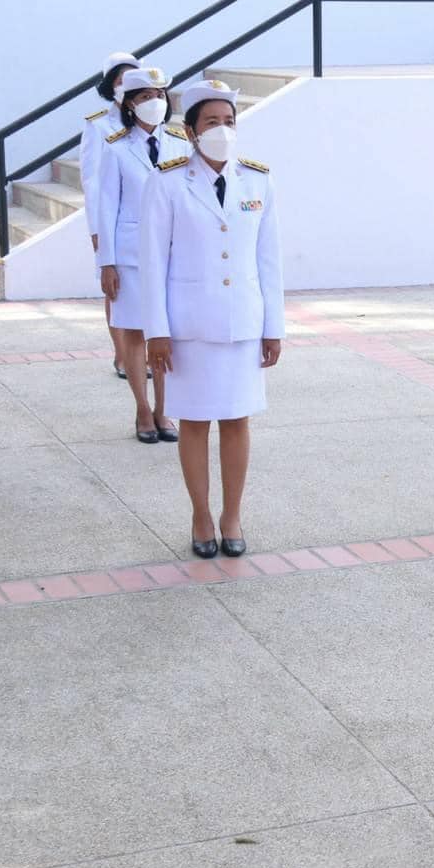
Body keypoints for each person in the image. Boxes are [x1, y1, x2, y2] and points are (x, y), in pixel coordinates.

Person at [142, 81, 281, 559]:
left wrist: (274, 327)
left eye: (229, 121)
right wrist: (156, 332)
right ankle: (201, 514)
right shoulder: (166, 182)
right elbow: (153, 262)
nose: (222, 130)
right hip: (189, 328)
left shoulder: (257, 180)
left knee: (238, 420)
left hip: (243, 322)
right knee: (196, 422)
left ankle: (232, 515)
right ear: (190, 131)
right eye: (212, 122)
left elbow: (269, 261)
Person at [95, 65, 189, 444]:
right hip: (131, 254)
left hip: (172, 255)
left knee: (164, 333)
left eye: (160, 95)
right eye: (146, 97)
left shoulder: (181, 144)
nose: (155, 102)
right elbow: (106, 206)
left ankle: (165, 409)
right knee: (135, 332)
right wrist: (107, 262)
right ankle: (142, 409)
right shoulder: (116, 147)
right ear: (131, 104)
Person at [82, 51, 139, 381]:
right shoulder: (98, 125)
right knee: (114, 289)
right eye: (121, 80)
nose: (127, 86)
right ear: (110, 86)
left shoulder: (151, 122)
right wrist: (96, 229)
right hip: (110, 220)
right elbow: (92, 182)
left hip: (142, 222)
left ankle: (139, 352)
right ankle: (122, 355)